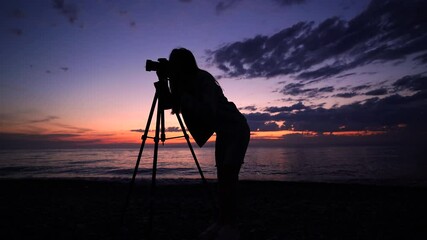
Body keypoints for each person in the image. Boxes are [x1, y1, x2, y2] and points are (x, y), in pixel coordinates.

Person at [167, 48, 250, 240]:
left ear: (184, 64)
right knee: (223, 180)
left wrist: (183, 97)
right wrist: (166, 85)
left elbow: (208, 111)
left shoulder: (203, 80)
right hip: (224, 132)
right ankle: (222, 222)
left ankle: (231, 227)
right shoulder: (185, 83)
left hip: (236, 129)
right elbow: (173, 106)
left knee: (229, 178)